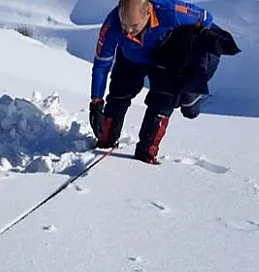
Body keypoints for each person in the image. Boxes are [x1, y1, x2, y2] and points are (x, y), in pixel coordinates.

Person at [89, 0, 240, 164]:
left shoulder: (172, 12)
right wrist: (96, 102)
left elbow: (206, 19)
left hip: (164, 59)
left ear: (148, 12)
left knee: (163, 103)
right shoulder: (112, 25)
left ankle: (146, 155)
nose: (128, 32)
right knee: (119, 94)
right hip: (130, 59)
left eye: (133, 26)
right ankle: (105, 142)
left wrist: (192, 49)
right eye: (124, 25)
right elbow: (101, 64)